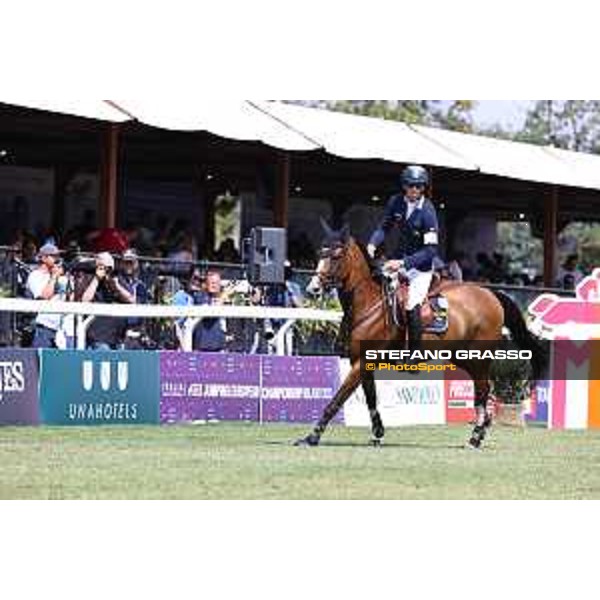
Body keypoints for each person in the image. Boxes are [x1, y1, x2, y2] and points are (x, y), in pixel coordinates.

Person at [367, 164, 443, 348]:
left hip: (419, 268)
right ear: (404, 186)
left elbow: (430, 251)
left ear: (423, 187)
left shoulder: (428, 212)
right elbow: (384, 227)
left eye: (419, 186)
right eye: (411, 185)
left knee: (411, 305)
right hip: (397, 261)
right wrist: (372, 243)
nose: (415, 190)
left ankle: (415, 355)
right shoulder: (396, 202)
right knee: (375, 286)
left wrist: (402, 263)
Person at [75, 252, 136, 350]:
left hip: (117, 336)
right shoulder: (88, 277)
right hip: (98, 335)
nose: (107, 270)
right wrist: (97, 279)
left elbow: (132, 300)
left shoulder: (116, 278)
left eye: (109, 267)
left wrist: (116, 286)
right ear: (97, 264)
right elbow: (84, 301)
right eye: (103, 267)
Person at [25, 242, 70, 348]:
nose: (57, 259)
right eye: (53, 256)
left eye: (58, 256)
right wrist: (54, 277)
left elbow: (69, 298)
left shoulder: (60, 276)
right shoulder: (35, 275)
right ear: (43, 258)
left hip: (61, 329)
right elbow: (43, 297)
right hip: (43, 328)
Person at [172, 268, 227, 352]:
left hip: (219, 348)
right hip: (203, 348)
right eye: (212, 283)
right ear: (206, 284)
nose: (214, 285)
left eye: (217, 283)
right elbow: (208, 311)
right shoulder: (200, 296)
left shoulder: (221, 299)